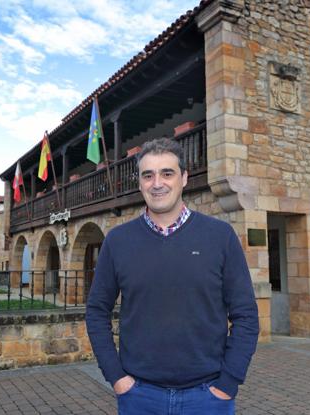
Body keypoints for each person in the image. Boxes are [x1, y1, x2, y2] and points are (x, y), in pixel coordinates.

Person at [86, 138, 259, 414]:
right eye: (148, 175)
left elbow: (246, 315)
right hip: (139, 397)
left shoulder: (220, 237)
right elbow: (96, 311)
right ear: (140, 182)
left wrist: (228, 384)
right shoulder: (117, 241)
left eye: (167, 173)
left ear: (184, 178)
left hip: (208, 398)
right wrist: (117, 378)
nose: (157, 183)